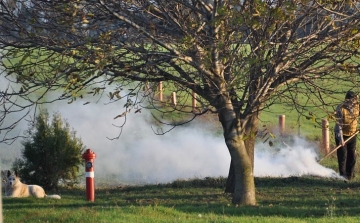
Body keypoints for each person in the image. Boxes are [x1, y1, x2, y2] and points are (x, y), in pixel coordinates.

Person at [334, 90, 360, 180]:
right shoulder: (340, 108)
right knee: (343, 156)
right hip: (342, 135)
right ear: (348, 100)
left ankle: (350, 175)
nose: (354, 102)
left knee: (352, 156)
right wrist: (341, 139)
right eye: (353, 100)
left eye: (355, 100)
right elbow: (339, 125)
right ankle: (342, 176)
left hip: (352, 134)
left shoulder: (357, 106)